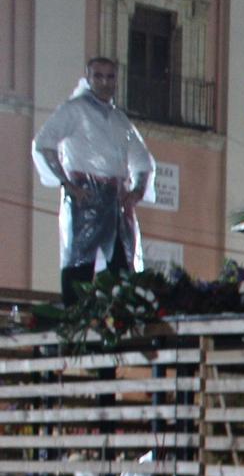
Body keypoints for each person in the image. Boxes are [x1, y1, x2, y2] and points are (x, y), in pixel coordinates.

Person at [31, 57, 155, 304]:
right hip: (85, 198)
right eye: (99, 76)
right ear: (88, 78)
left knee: (122, 266)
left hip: (117, 203)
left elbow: (143, 160)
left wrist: (137, 190)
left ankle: (119, 319)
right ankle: (76, 320)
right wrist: (67, 183)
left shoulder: (120, 120)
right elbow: (44, 143)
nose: (105, 82)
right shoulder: (74, 109)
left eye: (110, 77)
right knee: (79, 263)